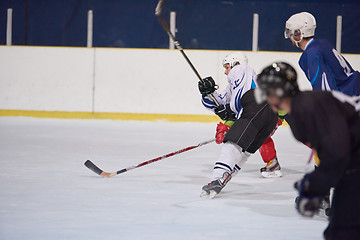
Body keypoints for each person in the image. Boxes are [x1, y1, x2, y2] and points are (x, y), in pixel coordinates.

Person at [256, 62, 360, 239]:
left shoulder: (307, 108)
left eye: (267, 91)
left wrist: (313, 186)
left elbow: (338, 154)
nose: (264, 97)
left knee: (343, 231)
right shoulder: (303, 106)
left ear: (278, 92)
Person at [198, 53, 278, 198]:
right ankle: (223, 178)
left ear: (235, 63)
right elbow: (220, 103)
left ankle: (216, 178)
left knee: (232, 142)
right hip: (269, 116)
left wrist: (229, 111)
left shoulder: (241, 69)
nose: (225, 71)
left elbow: (239, 100)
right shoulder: (235, 85)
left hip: (257, 106)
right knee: (244, 150)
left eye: (227, 67)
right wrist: (208, 93)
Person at [284, 12, 360, 96]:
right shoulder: (322, 43)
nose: (288, 34)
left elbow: (323, 90)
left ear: (297, 33)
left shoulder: (311, 55)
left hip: (352, 99)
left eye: (290, 31)